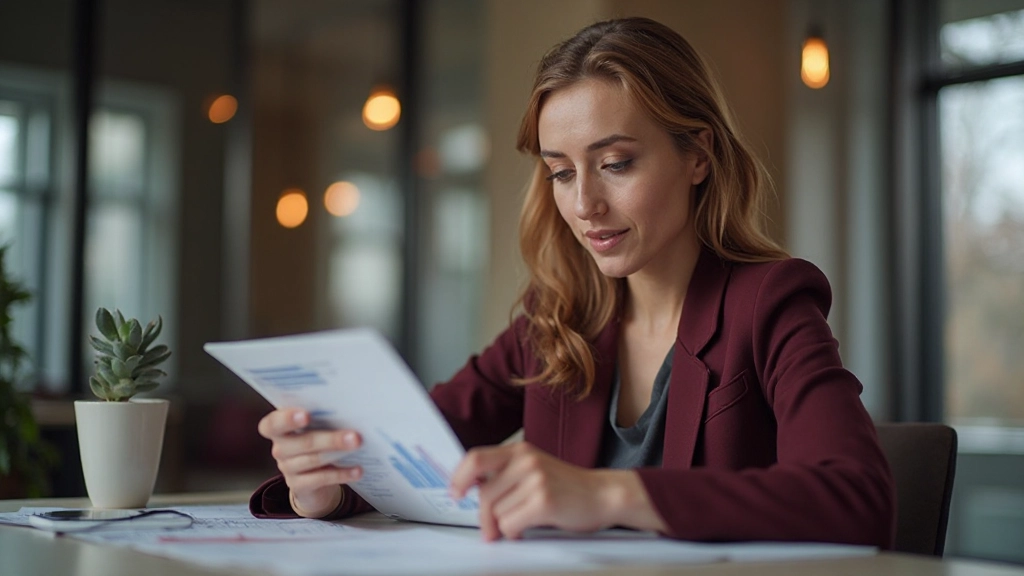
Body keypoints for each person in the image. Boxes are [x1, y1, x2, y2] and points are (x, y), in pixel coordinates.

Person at [251, 16, 896, 547]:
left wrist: (608, 492)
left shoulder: (770, 302)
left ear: (698, 155)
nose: (584, 204)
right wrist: (329, 483)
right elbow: (415, 451)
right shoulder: (554, 318)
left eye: (615, 163)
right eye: (561, 172)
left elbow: (857, 496)